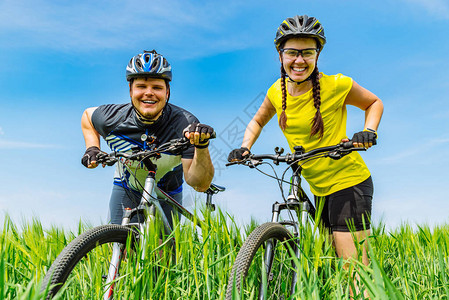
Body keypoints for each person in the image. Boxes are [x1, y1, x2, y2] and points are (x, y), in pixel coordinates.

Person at [228, 14, 383, 292]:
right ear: (280, 55)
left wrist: (368, 131)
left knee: (355, 272)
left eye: (307, 53)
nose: (299, 60)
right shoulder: (276, 91)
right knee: (331, 263)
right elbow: (257, 120)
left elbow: (374, 102)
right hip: (319, 187)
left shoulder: (337, 84)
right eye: (292, 53)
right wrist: (245, 147)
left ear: (317, 55)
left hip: (349, 181)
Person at [81, 50, 215, 226]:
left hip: (167, 191)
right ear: (130, 91)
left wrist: (202, 145)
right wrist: (92, 148)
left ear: (167, 92)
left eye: (157, 87)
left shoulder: (185, 124)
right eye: (141, 87)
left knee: (164, 251)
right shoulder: (113, 117)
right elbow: (87, 116)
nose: (149, 93)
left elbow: (199, 184)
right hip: (127, 187)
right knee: (118, 244)